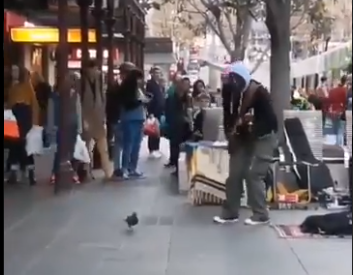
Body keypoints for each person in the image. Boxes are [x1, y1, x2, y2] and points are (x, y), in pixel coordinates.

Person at [213, 62, 278, 225]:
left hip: (262, 136)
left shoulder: (259, 93)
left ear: (241, 79)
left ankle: (261, 214)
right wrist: (231, 135)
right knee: (234, 174)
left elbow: (271, 122)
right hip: (242, 137)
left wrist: (251, 127)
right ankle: (230, 212)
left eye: (232, 80)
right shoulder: (229, 92)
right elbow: (228, 115)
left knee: (254, 174)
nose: (229, 84)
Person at [7, 66, 40, 185]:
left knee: (15, 145)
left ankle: (15, 173)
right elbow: (35, 105)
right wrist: (35, 122)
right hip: (25, 117)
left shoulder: (14, 88)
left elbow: (10, 104)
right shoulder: (28, 87)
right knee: (26, 145)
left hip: (16, 117)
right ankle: (30, 172)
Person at [48, 72, 82, 184]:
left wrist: (79, 127)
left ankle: (71, 172)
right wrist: (51, 126)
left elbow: (78, 111)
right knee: (61, 149)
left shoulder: (74, 95)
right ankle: (56, 171)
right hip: (61, 125)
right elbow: (51, 111)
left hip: (71, 125)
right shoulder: (56, 96)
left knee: (71, 149)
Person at [81, 60, 112, 180]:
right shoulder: (82, 82)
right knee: (88, 147)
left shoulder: (100, 80)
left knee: (102, 147)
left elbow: (103, 99)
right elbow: (81, 102)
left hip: (98, 118)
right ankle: (87, 171)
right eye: (94, 69)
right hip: (88, 118)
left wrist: (104, 117)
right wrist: (83, 119)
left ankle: (107, 171)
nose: (96, 72)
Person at [107, 62, 135, 178]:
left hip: (121, 117)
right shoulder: (117, 87)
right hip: (118, 117)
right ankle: (119, 168)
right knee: (121, 143)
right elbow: (115, 103)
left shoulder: (119, 86)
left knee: (121, 143)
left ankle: (120, 168)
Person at [119, 67, 147, 179]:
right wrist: (140, 101)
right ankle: (125, 168)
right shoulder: (126, 90)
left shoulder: (138, 89)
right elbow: (127, 104)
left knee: (136, 144)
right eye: (139, 78)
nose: (140, 81)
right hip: (129, 118)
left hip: (139, 118)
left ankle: (132, 167)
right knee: (128, 144)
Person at [168, 77, 193, 176]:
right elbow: (171, 109)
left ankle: (181, 167)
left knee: (182, 146)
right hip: (177, 124)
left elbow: (189, 108)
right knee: (176, 146)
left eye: (188, 84)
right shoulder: (174, 96)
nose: (186, 86)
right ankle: (177, 167)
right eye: (184, 84)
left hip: (185, 124)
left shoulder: (188, 96)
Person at [146, 67, 165, 158]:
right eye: (155, 73)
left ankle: (156, 148)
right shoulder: (150, 84)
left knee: (157, 131)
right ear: (152, 74)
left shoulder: (160, 84)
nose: (157, 75)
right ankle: (152, 148)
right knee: (152, 130)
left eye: (159, 73)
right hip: (153, 110)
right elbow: (150, 99)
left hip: (159, 111)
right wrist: (150, 112)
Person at [327, 75, 348, 146]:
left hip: (332, 111)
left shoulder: (332, 91)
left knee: (336, 127)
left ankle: (337, 142)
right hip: (341, 111)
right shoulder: (345, 91)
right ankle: (339, 144)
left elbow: (329, 101)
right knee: (341, 129)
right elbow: (346, 101)